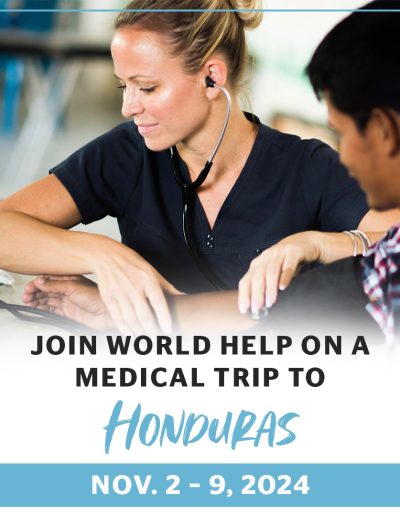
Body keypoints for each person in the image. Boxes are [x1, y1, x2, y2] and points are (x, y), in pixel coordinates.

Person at [1, 0, 397, 336]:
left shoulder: (307, 167)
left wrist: (313, 244)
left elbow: (390, 247)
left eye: (147, 87)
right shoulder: (128, 152)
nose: (128, 107)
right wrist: (105, 255)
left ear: (211, 77)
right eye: (125, 86)